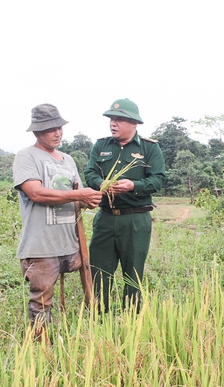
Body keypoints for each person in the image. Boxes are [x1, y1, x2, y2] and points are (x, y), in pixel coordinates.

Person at [13, 103, 103, 341]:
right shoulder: (26, 156)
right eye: (50, 129)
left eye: (59, 128)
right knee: (41, 300)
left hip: (70, 242)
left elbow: (78, 195)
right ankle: (40, 350)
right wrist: (79, 195)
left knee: (88, 287)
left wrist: (89, 199)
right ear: (36, 132)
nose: (57, 133)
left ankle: (88, 334)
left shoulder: (68, 160)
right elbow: (36, 193)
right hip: (42, 245)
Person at [85, 98, 166, 313]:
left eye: (119, 119)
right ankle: (99, 319)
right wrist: (100, 183)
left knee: (133, 272)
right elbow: (89, 172)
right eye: (111, 119)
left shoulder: (150, 148)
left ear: (134, 123)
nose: (113, 123)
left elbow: (158, 180)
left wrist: (134, 185)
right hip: (106, 217)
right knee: (99, 271)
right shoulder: (101, 145)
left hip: (135, 220)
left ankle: (131, 319)